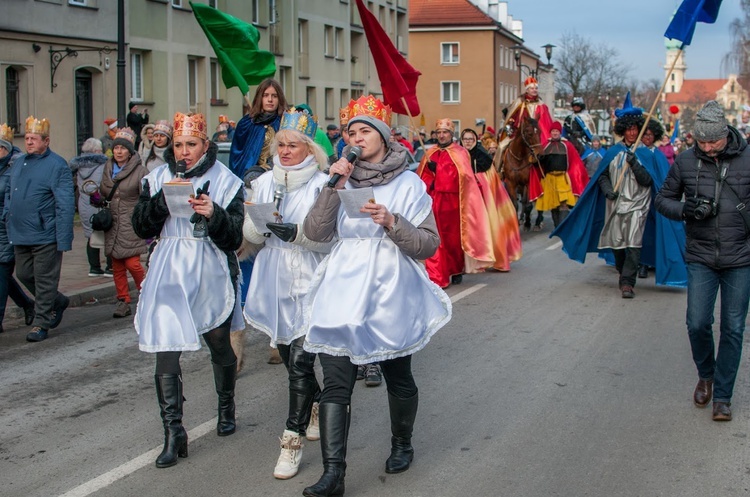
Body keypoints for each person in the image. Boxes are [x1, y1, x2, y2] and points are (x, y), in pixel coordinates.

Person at [301, 95, 452, 497]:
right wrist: (333, 184)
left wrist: (391, 221)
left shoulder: (409, 183)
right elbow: (315, 234)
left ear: (383, 136)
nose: (356, 137)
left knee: (397, 374)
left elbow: (428, 244)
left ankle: (402, 443)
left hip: (390, 289)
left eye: (364, 130)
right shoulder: (338, 177)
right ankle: (334, 474)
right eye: (351, 131)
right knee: (335, 381)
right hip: (342, 287)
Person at [132, 112, 245, 468]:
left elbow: (235, 237)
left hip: (209, 264)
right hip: (169, 264)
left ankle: (226, 405)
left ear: (204, 145)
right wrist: (158, 205)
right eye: (179, 145)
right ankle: (173, 431)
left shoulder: (226, 181)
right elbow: (139, 226)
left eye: (191, 144)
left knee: (218, 342)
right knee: (166, 345)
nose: (184, 152)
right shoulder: (156, 178)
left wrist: (214, 215)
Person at [241, 108, 333, 480]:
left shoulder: (323, 185)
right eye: (281, 144)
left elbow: (328, 241)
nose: (286, 151)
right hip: (273, 276)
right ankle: (315, 402)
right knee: (286, 354)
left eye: (293, 145)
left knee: (299, 361)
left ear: (309, 149)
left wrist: (294, 233)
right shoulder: (264, 183)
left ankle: (290, 441)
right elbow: (251, 235)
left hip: (309, 276)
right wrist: (257, 225)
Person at [655, 100, 750, 422]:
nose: (708, 148)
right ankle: (706, 375)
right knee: (697, 322)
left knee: (734, 328)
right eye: (702, 142)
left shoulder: (747, 160)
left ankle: (722, 396)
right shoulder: (685, 161)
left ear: (725, 135)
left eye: (713, 141)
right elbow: (663, 200)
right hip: (701, 255)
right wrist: (686, 210)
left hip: (741, 256)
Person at [551, 93, 687, 298]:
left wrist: (634, 163)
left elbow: (648, 181)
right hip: (614, 204)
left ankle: (627, 283)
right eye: (628, 129)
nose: (632, 133)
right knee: (617, 244)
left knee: (633, 243)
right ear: (622, 130)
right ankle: (623, 271)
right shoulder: (613, 151)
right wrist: (607, 190)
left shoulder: (645, 153)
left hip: (639, 205)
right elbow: (602, 176)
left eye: (635, 129)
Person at [229, 78, 288, 368]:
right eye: (265, 95)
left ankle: (277, 338)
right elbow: (238, 158)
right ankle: (239, 332)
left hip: (279, 193)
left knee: (278, 261)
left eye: (274, 95)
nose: (269, 99)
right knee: (246, 258)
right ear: (258, 98)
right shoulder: (246, 125)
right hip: (251, 192)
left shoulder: (286, 123)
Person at [6, 116, 74, 342]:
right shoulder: (18, 163)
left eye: (34, 138)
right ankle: (58, 301)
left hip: (45, 233)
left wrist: (63, 238)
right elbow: (10, 193)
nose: (29, 142)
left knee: (45, 280)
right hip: (19, 231)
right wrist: (8, 215)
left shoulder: (57, 165)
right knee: (24, 274)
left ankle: (41, 322)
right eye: (26, 138)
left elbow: (65, 203)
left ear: (46, 141)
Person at [417, 119, 495, 288]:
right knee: (436, 239)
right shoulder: (429, 152)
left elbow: (463, 177)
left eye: (445, 132)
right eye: (439, 132)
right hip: (433, 201)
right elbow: (421, 178)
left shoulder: (460, 152)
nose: (442, 135)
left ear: (451, 134)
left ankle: (456, 269)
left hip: (453, 204)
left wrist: (439, 170)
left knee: (452, 240)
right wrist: (430, 180)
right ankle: (437, 275)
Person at [99, 127, 148, 318]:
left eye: (123, 148)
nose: (118, 151)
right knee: (117, 264)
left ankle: (145, 292)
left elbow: (146, 197)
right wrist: (97, 197)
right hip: (112, 222)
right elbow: (104, 191)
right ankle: (123, 300)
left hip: (130, 222)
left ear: (130, 151)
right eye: (116, 148)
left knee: (133, 263)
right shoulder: (108, 168)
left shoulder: (140, 171)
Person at [460, 128, 523, 271]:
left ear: (475, 140)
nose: (468, 142)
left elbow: (489, 182)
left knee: (487, 229)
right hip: (464, 200)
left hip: (482, 200)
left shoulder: (483, 157)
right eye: (465, 139)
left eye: (470, 139)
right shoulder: (459, 155)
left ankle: (489, 258)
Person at [0, 123, 35, 332]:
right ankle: (27, 304)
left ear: (5, 148)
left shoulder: (17, 166)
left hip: (6, 226)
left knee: (3, 268)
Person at [535, 121, 589, 228]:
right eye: (553, 131)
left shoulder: (567, 145)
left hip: (563, 178)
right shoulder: (545, 145)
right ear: (550, 133)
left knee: (563, 203)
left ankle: (563, 226)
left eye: (556, 131)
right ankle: (557, 227)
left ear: (560, 132)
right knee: (554, 205)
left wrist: (575, 175)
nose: (555, 133)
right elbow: (539, 164)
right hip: (549, 179)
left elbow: (575, 161)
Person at [70, 137, 111, 277]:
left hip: (84, 203)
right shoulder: (104, 164)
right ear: (97, 150)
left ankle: (94, 267)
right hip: (99, 202)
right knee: (107, 232)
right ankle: (110, 267)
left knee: (90, 234)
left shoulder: (79, 166)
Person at [495, 76, 554, 168]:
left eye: (536, 88)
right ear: (527, 90)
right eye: (532, 88)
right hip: (518, 133)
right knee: (501, 147)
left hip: (533, 135)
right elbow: (512, 116)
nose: (534, 90)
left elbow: (545, 122)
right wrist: (510, 123)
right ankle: (498, 171)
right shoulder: (519, 102)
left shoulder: (541, 104)